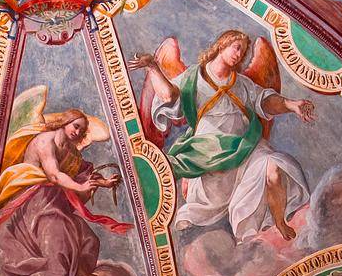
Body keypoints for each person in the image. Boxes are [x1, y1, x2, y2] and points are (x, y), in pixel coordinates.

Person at [134, 30, 314, 241]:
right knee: (184, 195)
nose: (239, 54)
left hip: (248, 147)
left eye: (244, 51)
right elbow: (169, 95)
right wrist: (153, 67)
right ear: (222, 44)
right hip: (208, 150)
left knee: (275, 167)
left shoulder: (243, 83)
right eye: (236, 47)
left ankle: (280, 222)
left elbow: (265, 101)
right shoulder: (194, 77)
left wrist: (292, 105)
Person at [0, 105, 127, 276]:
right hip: (34, 202)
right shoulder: (45, 141)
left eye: (82, 130)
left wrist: (104, 183)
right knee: (58, 245)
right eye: (76, 126)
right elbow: (54, 175)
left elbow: (83, 176)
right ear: (65, 122)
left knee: (80, 240)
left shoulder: (72, 153)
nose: (78, 132)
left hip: (54, 202)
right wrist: (81, 187)